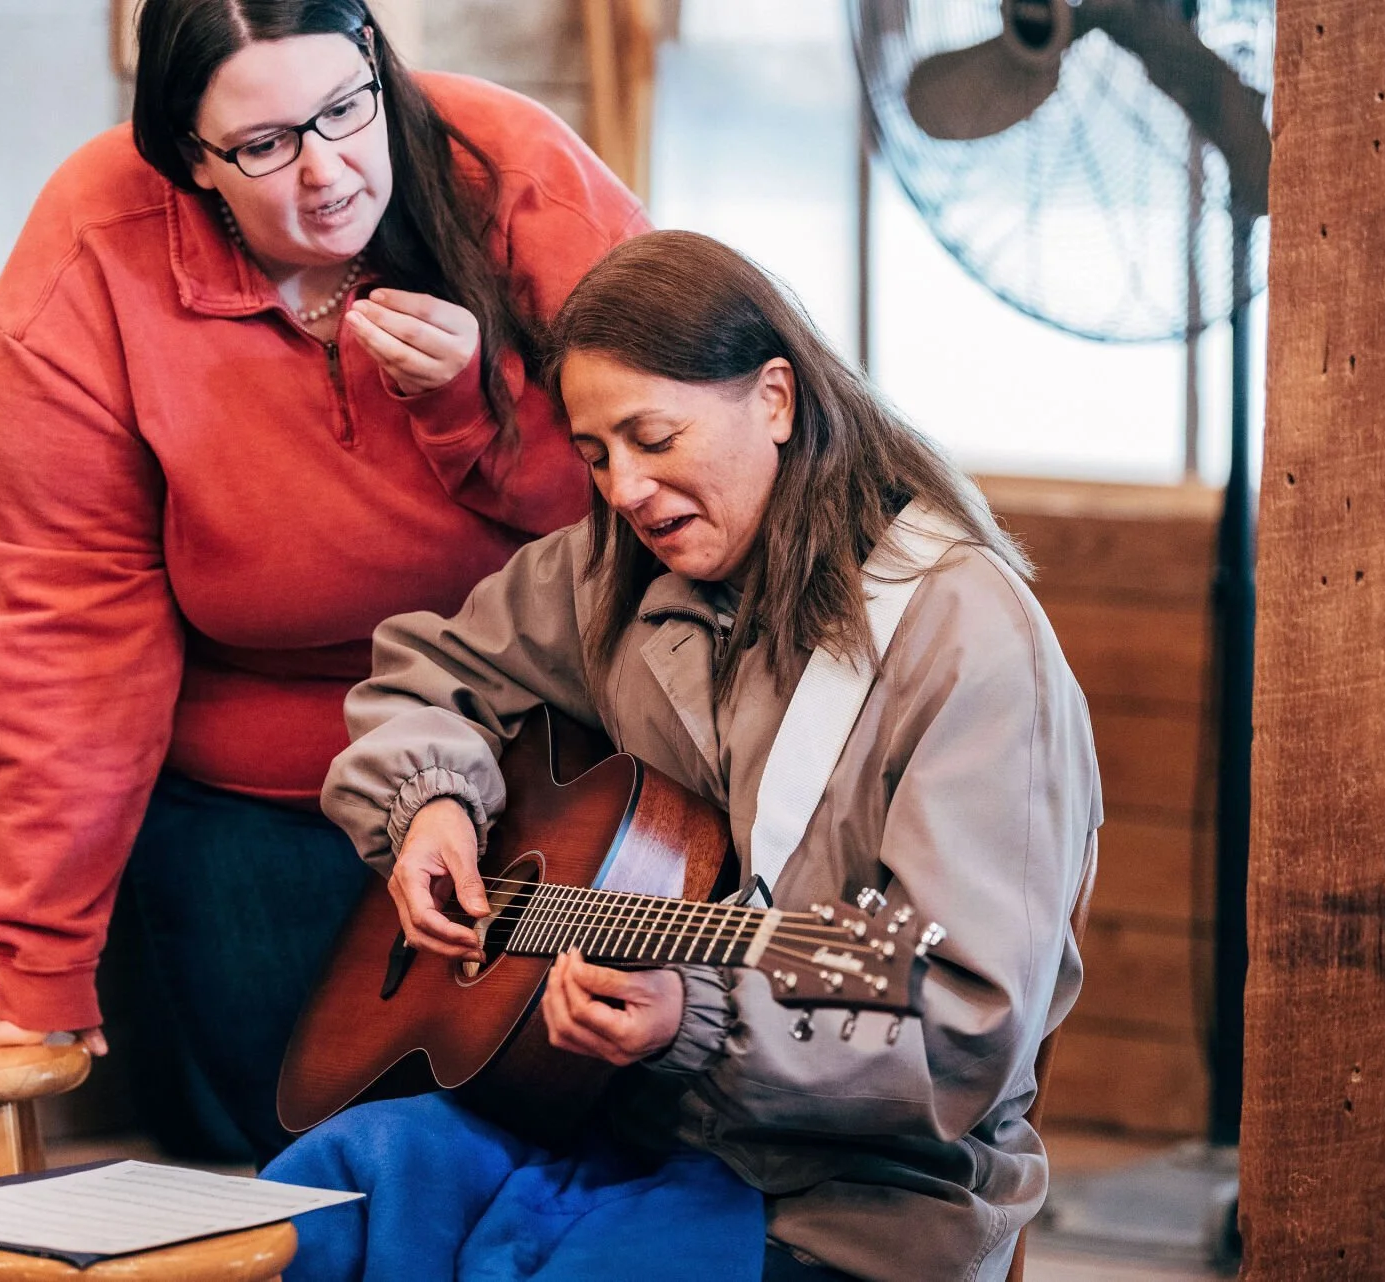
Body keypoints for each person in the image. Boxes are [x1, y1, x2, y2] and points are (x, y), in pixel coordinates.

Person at [265, 230, 1102, 1281]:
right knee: (313, 1198)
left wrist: (695, 1023)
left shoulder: (967, 637)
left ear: (776, 399)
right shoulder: (613, 569)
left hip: (855, 1191)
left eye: (653, 437)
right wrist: (431, 802)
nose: (623, 488)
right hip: (616, 1120)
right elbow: (426, 675)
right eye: (595, 453)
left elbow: (964, 1030)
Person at [0, 0, 644, 1161]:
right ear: (187, 161)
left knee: (565, 1141)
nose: (329, 173)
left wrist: (479, 412)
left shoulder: (520, 171)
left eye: (348, 109)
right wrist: (38, 962)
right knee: (288, 1156)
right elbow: (66, 630)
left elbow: (661, 492)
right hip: (259, 782)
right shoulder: (95, 252)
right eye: (263, 146)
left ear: (380, 70)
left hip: (558, 744)